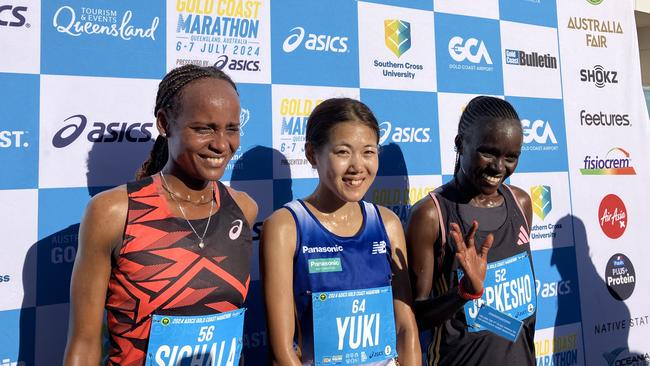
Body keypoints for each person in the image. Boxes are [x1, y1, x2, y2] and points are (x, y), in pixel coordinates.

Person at [64, 65, 258, 366]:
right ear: (165, 123)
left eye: (231, 128)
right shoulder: (114, 212)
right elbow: (84, 345)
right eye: (204, 128)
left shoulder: (243, 209)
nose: (221, 144)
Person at [261, 98, 421, 366]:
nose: (357, 166)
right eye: (343, 152)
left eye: (368, 152)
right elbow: (283, 351)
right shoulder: (286, 227)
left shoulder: (388, 223)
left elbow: (406, 328)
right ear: (312, 154)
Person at [406, 96, 536, 366]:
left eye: (511, 157)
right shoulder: (431, 215)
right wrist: (463, 292)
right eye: (488, 152)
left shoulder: (521, 203)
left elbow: (521, 318)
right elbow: (413, 316)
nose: (499, 168)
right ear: (460, 144)